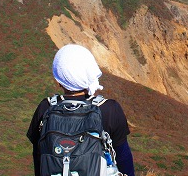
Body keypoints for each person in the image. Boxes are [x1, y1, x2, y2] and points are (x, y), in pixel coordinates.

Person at [27, 44, 135, 176]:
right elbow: (124, 159)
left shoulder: (45, 108)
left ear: (58, 81)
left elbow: (39, 159)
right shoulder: (109, 109)